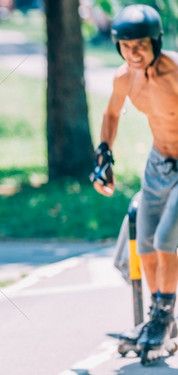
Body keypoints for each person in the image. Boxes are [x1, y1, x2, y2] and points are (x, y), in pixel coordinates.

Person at [91, 4, 178, 357]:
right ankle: (159, 318)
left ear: (156, 42)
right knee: (143, 244)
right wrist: (103, 156)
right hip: (159, 161)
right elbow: (111, 112)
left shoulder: (174, 73)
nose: (134, 53)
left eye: (140, 45)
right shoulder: (124, 77)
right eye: (126, 46)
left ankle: (162, 317)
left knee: (164, 239)